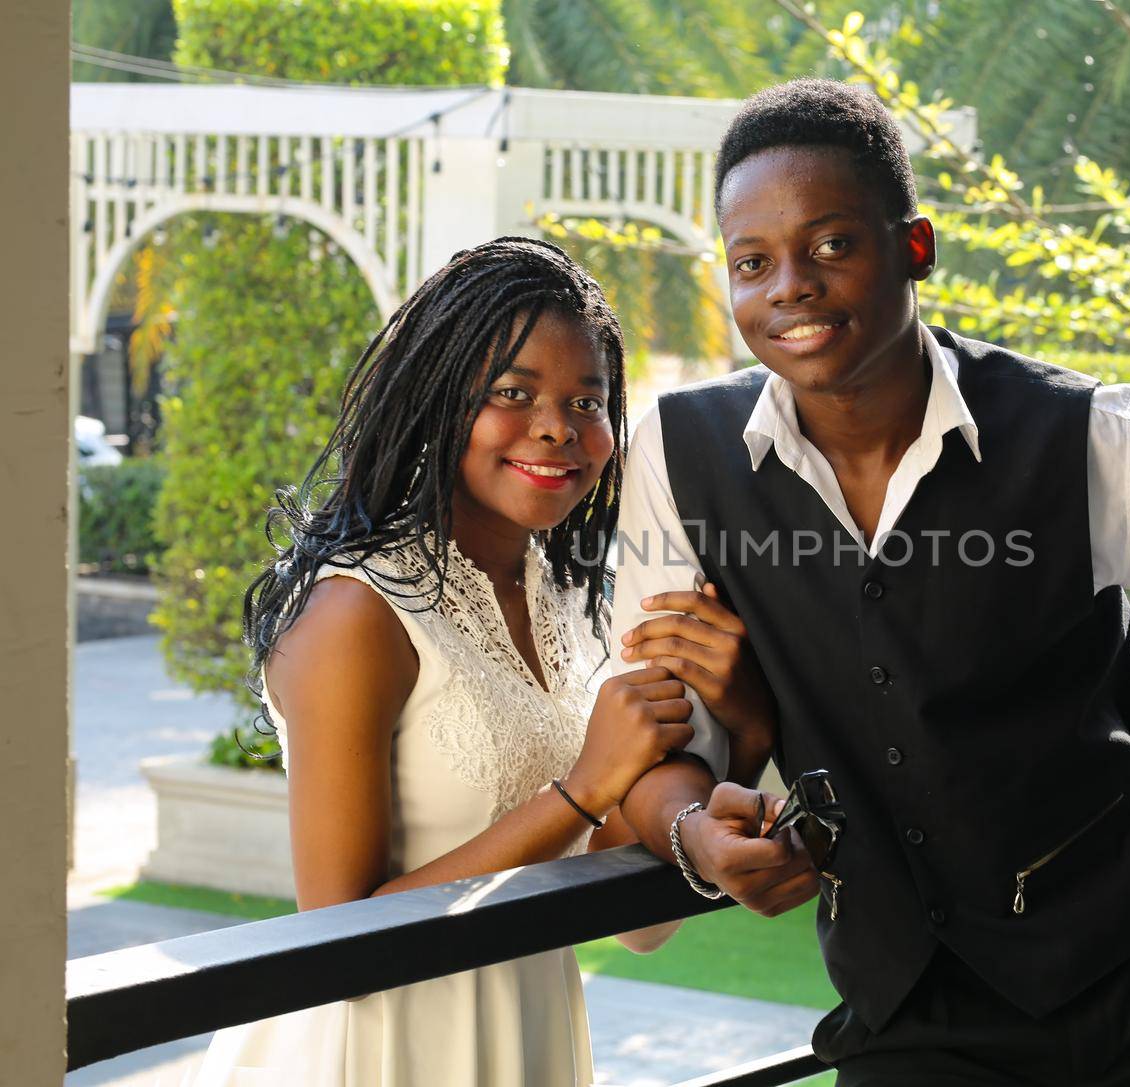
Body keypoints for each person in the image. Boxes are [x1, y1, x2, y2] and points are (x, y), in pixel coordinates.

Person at [611, 81, 1130, 1085]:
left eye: (832, 244)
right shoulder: (677, 460)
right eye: (753, 262)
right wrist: (694, 832)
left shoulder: (1091, 440)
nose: (790, 284)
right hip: (913, 1019)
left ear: (915, 248)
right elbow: (656, 729)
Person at [188, 237, 773, 1087]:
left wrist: (746, 732)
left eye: (588, 399)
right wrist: (580, 787)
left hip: (526, 1036)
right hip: (377, 1052)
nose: (557, 427)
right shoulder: (358, 612)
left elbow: (637, 926)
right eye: (513, 392)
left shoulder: (578, 603)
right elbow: (338, 940)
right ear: (438, 401)